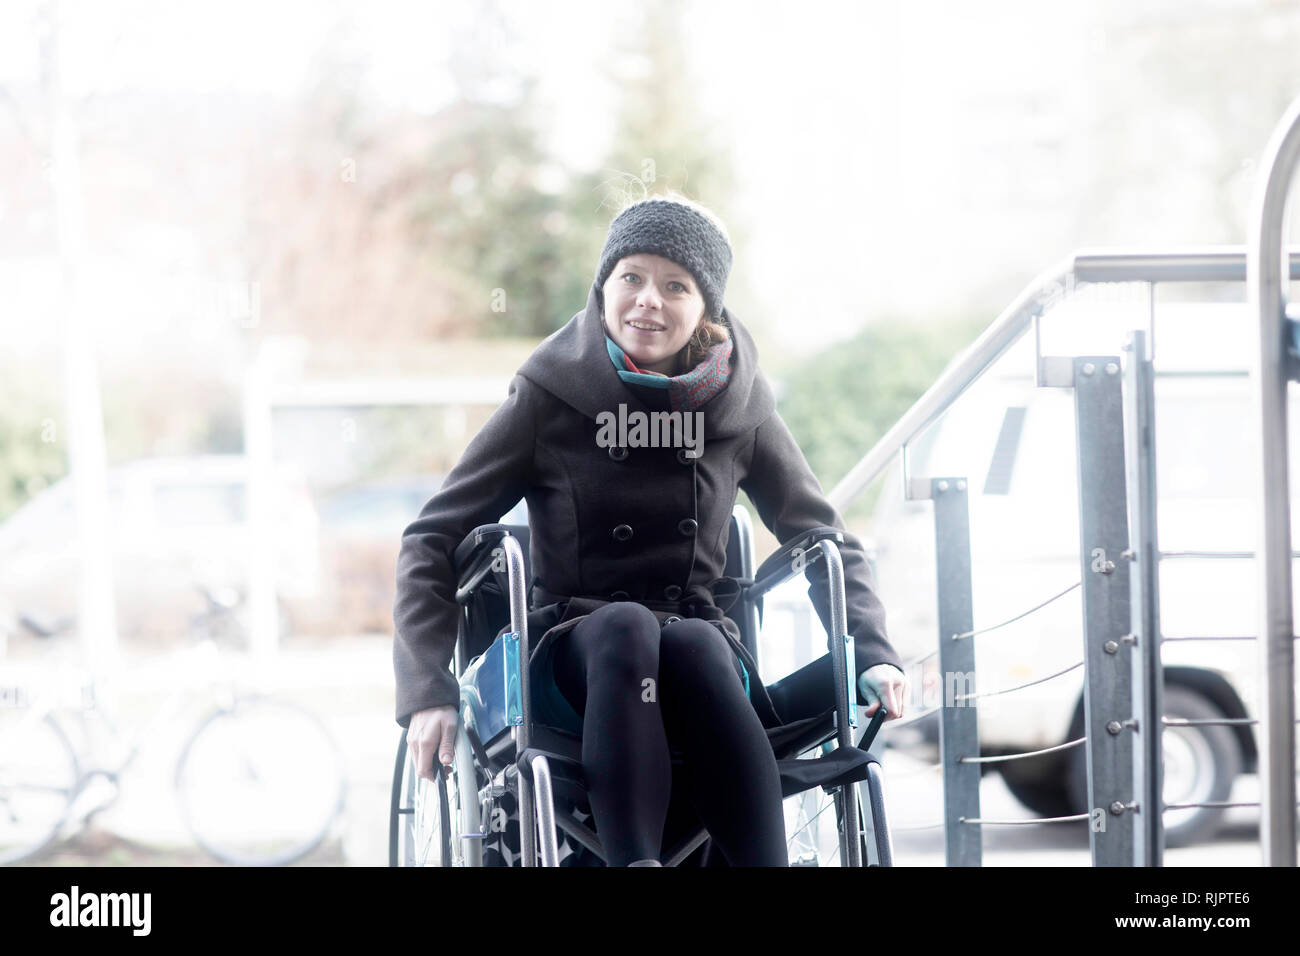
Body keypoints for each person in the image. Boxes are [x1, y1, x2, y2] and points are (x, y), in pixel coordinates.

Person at [393, 193, 908, 867]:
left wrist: (872, 648)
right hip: (577, 654)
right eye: (631, 276)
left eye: (676, 286)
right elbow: (431, 536)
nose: (647, 301)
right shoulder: (553, 391)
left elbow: (821, 535)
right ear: (604, 285)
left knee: (693, 639)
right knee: (627, 626)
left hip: (700, 656)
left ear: (705, 308)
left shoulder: (738, 405)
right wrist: (427, 689)